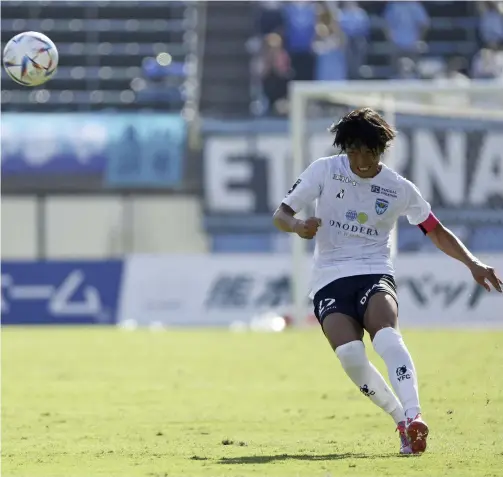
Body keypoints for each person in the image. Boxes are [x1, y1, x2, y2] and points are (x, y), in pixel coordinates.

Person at [273, 108, 503, 455]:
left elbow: (434, 230)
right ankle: (400, 421)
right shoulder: (324, 171)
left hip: (373, 271)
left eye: (370, 152)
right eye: (354, 151)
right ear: (344, 148)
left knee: (386, 335)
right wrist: (298, 227)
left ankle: (415, 416)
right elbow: (282, 214)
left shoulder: (397, 188)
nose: (362, 160)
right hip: (329, 279)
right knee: (350, 355)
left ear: (381, 150)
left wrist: (472, 263)